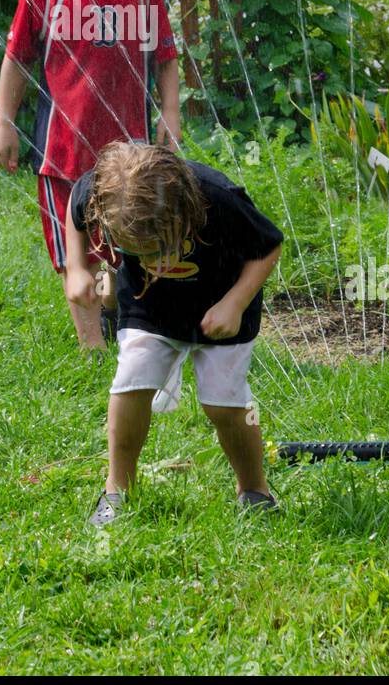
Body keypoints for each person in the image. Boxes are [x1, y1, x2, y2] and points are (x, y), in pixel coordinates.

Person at [0, 0, 181, 350]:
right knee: (73, 256)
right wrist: (4, 123)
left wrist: (170, 115)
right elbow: (17, 58)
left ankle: (115, 307)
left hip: (130, 150)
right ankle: (92, 349)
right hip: (63, 149)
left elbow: (165, 53)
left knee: (126, 240)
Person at [64, 141, 284, 525]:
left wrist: (234, 304)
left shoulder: (218, 198)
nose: (155, 262)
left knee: (224, 403)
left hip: (223, 304)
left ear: (185, 211)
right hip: (150, 305)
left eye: (160, 248)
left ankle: (255, 490)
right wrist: (77, 267)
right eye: (140, 252)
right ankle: (117, 490)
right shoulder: (103, 191)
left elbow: (268, 246)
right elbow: (75, 210)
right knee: (131, 382)